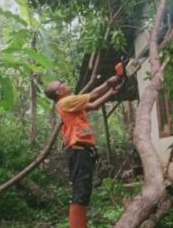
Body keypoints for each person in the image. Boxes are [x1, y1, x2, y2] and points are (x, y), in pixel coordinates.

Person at [44, 75, 122, 228]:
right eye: (62, 82)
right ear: (60, 91)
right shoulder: (66, 101)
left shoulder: (71, 103)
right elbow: (93, 95)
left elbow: (93, 106)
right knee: (81, 193)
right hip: (79, 150)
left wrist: (110, 93)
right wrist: (108, 82)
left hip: (82, 151)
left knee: (82, 192)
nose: (65, 82)